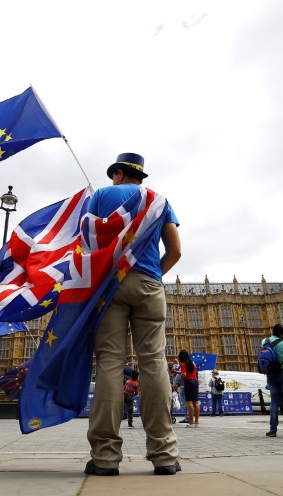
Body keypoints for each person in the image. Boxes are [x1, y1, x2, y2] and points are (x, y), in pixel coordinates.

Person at [84, 152, 182, 477]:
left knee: (110, 363)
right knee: (153, 362)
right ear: (139, 177)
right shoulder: (158, 200)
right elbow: (177, 251)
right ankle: (164, 455)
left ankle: (105, 458)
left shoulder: (100, 195)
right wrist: (154, 276)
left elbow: (84, 243)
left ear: (119, 174)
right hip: (149, 284)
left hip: (110, 285)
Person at [178, 349, 200, 427]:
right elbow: (195, 373)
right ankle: (196, 421)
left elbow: (184, 374)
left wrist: (182, 378)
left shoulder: (183, 363)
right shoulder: (193, 363)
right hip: (195, 381)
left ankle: (191, 422)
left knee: (189, 402)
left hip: (189, 382)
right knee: (196, 402)